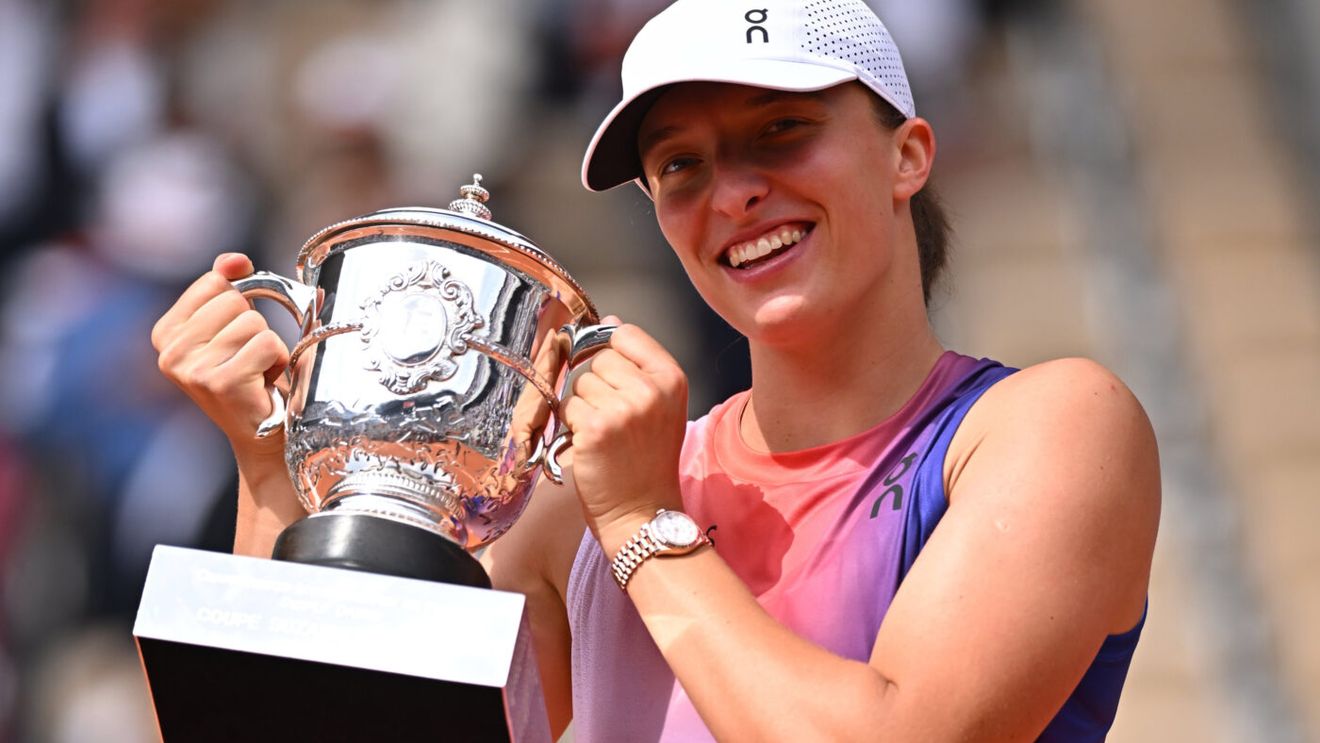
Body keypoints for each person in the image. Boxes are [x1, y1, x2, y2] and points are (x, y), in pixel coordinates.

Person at [151, 0, 1160, 739]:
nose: (733, 194)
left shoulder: (1053, 424)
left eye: (781, 131)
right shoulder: (568, 506)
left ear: (908, 154)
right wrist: (273, 462)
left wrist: (643, 522)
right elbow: (310, 724)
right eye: (682, 165)